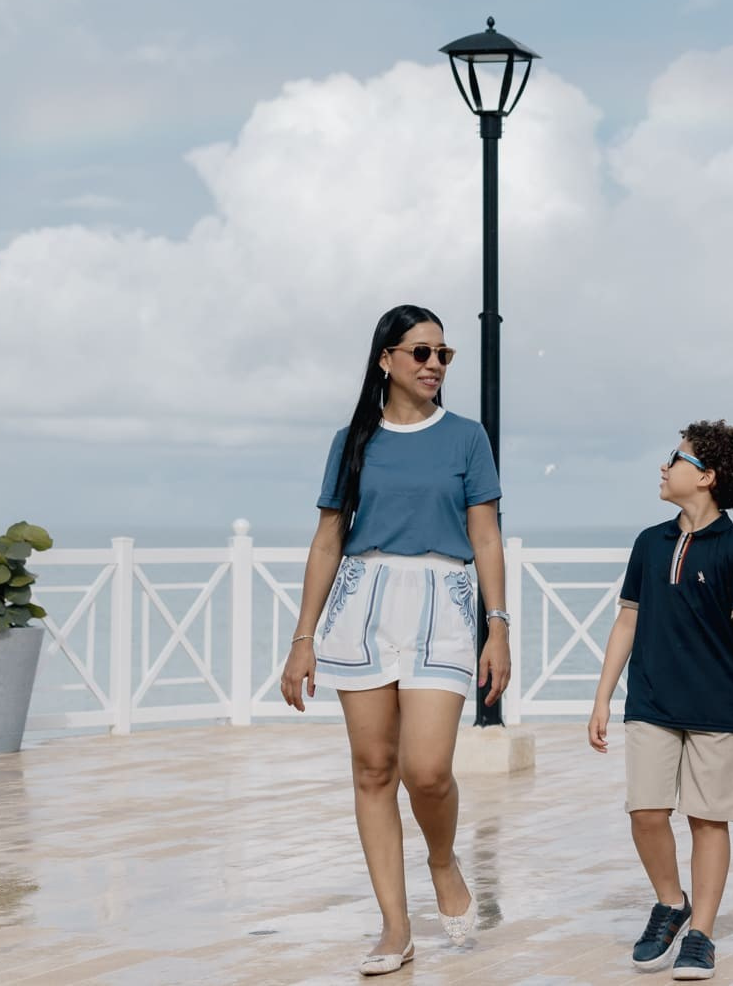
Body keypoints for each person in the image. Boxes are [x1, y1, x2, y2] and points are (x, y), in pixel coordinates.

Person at [279, 304, 510, 976]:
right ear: (386, 359)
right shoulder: (352, 439)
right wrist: (304, 637)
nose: (434, 363)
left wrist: (498, 626)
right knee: (373, 769)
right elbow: (328, 540)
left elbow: (487, 536)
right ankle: (394, 923)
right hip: (361, 601)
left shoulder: (467, 437)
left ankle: (442, 858)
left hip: (445, 600)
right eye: (420, 352)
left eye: (444, 354)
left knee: (427, 769)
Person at [589, 421, 733, 981]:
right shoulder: (649, 543)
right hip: (650, 703)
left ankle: (701, 934)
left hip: (720, 710)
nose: (665, 467)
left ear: (708, 477)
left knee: (708, 821)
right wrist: (602, 697)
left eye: (677, 458)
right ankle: (671, 902)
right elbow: (627, 621)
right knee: (644, 812)